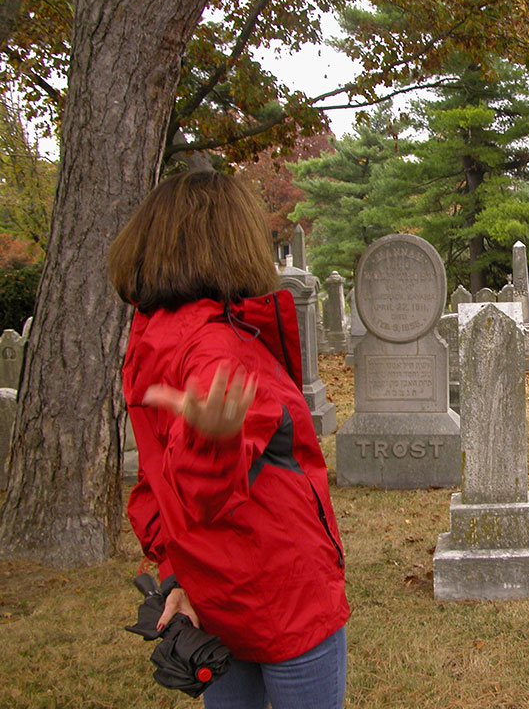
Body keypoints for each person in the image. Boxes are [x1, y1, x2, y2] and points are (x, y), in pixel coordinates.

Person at [108, 170, 350, 707]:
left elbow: (154, 488)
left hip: (211, 594)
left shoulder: (151, 337)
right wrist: (212, 442)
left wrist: (176, 573)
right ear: (230, 242)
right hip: (283, 597)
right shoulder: (221, 349)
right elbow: (202, 495)